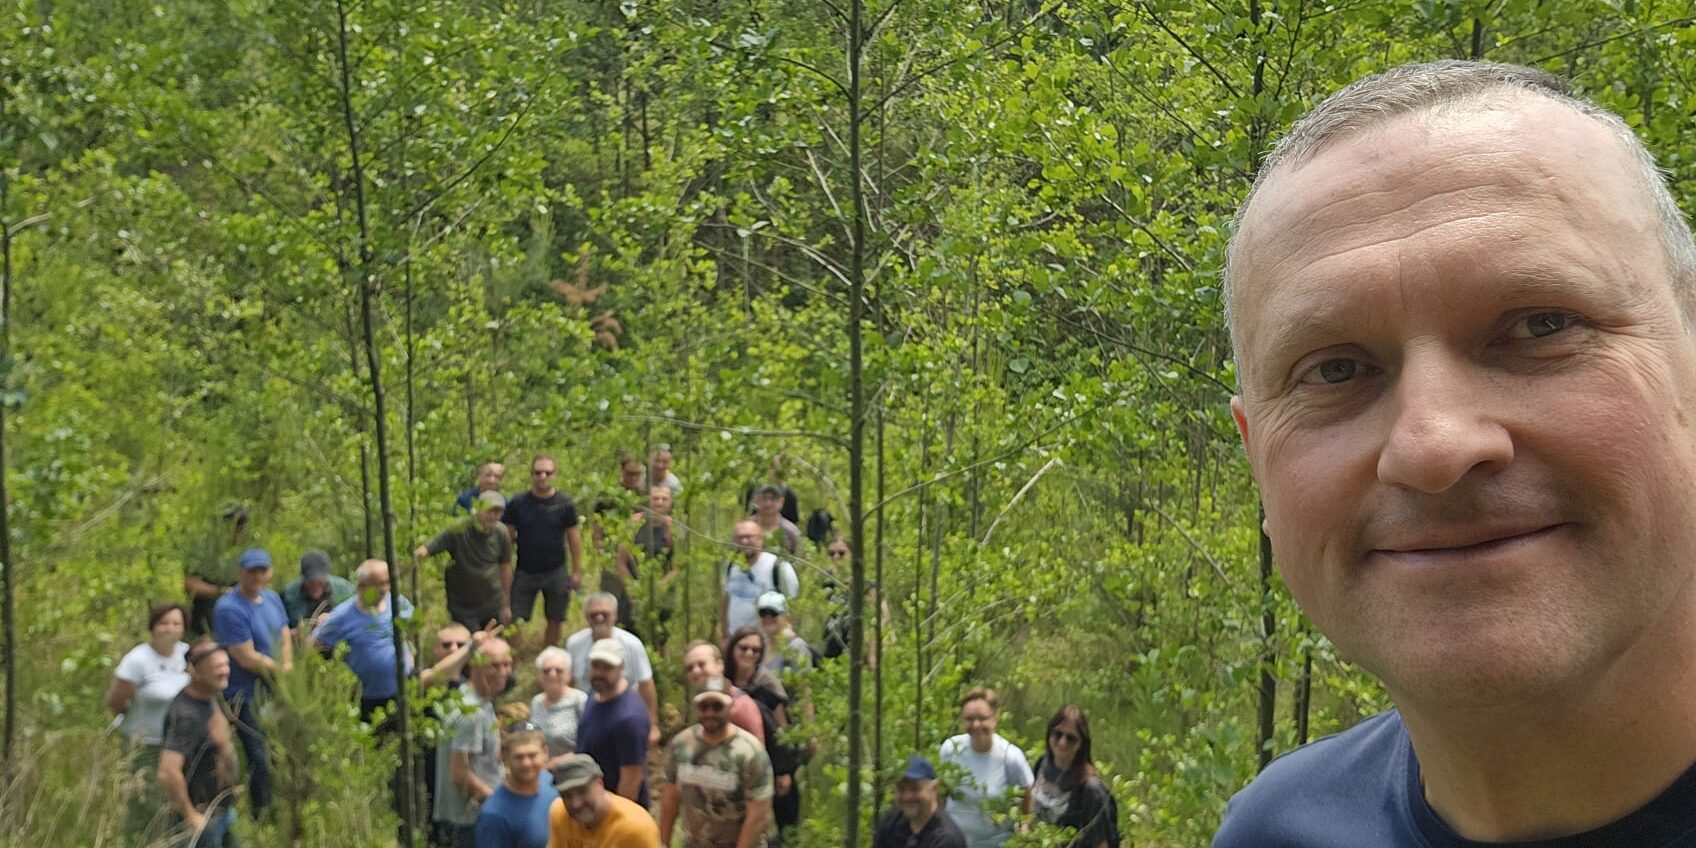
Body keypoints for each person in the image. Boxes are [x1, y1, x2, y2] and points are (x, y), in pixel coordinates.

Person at [1214, 60, 1696, 845]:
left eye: (1542, 325)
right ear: (1257, 464)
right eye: (1334, 371)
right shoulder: (1272, 831)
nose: (1432, 447)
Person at [212, 547, 290, 817]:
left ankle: (283, 807)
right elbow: (246, 657)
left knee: (279, 750)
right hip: (244, 693)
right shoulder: (229, 608)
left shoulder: (272, 599)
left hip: (275, 687)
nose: (257, 576)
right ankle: (262, 814)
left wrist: (287, 666)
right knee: (258, 754)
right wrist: (283, 671)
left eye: (262, 570)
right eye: (251, 571)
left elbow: (284, 634)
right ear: (240, 573)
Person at [659, 675, 774, 848]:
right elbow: (670, 797)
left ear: (731, 706)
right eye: (704, 707)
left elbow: (758, 816)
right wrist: (662, 843)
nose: (710, 713)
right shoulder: (681, 745)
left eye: (717, 706)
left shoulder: (750, 752)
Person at [109, 603, 191, 835]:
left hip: (179, 743)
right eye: (164, 623)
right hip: (145, 743)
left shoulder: (188, 654)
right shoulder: (137, 660)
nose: (170, 629)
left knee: (176, 798)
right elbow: (115, 701)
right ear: (153, 626)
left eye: (176, 623)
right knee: (144, 800)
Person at [157, 640, 240, 847]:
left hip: (223, 810)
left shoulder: (209, 696)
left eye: (226, 664)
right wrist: (191, 815)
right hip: (203, 817)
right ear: (197, 672)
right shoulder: (186, 715)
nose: (224, 671)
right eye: (217, 667)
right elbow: (168, 771)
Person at [724, 626, 804, 845]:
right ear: (733, 649)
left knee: (786, 824)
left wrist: (784, 771)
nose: (749, 654)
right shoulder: (723, 683)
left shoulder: (767, 684)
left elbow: (781, 731)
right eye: (744, 648)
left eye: (756, 650)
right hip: (732, 765)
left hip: (771, 760)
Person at [433, 636, 514, 848]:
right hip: (470, 822)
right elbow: (459, 775)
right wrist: (502, 806)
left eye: (507, 664)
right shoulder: (471, 712)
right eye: (495, 665)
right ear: (475, 665)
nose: (503, 672)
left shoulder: (471, 697)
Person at [503, 453, 584, 647]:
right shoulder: (518, 503)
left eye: (548, 472)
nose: (542, 477)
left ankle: (550, 654)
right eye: (538, 472)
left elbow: (574, 538)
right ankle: (512, 658)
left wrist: (576, 571)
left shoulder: (565, 503)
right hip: (525, 570)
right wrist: (505, 568)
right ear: (531, 474)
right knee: (514, 618)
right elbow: (506, 538)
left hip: (556, 570)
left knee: (555, 617)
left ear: (555, 474)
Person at [938, 688, 1032, 848]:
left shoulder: (1010, 758)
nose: (976, 725)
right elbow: (940, 796)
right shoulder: (951, 749)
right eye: (969, 719)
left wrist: (1023, 837)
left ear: (995, 718)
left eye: (982, 718)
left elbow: (1027, 806)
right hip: (953, 842)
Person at [563, 593, 660, 745]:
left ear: (615, 615)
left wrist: (652, 724)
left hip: (622, 711)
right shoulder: (574, 644)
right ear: (586, 617)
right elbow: (569, 682)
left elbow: (646, 684)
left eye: (605, 614)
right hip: (586, 711)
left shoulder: (632, 644)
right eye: (594, 614)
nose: (599, 618)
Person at [416, 490, 515, 629]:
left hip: (493, 604)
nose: (493, 515)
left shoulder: (501, 532)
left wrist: (506, 604)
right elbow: (427, 550)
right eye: (489, 510)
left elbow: (505, 567)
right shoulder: (458, 529)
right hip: (464, 607)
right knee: (469, 641)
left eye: (497, 512)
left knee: (493, 640)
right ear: (477, 509)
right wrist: (401, 566)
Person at [574, 638, 651, 808]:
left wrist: (613, 818)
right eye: (595, 665)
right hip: (589, 803)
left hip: (612, 811)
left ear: (621, 667)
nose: (599, 673)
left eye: (607, 667)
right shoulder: (595, 695)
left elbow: (631, 780)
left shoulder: (629, 718)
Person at [1028, 706, 1118, 848]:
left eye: (1071, 738)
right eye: (1058, 734)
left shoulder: (1091, 789)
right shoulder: (1042, 764)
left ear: (1081, 744)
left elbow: (1100, 843)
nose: (1062, 742)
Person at [547, 753, 661, 848]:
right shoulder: (559, 813)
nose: (576, 803)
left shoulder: (636, 828)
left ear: (600, 783)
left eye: (582, 791)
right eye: (567, 795)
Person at [474, 723, 559, 848]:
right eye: (519, 757)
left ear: (545, 753)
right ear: (505, 758)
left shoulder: (550, 783)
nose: (526, 763)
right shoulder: (494, 815)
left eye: (532, 755)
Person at [720, 519, 798, 643]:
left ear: (760, 539)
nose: (744, 542)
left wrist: (785, 640)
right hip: (735, 640)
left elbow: (792, 604)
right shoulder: (730, 565)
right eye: (740, 538)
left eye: (749, 537)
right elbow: (726, 599)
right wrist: (724, 636)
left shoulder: (779, 567)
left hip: (766, 642)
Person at [612, 485, 675, 634]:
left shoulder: (673, 528)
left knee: (660, 633)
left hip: (662, 590)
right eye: (655, 498)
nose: (659, 502)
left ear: (670, 502)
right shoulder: (634, 523)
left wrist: (659, 588)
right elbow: (620, 561)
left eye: (664, 499)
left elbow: (677, 566)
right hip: (634, 589)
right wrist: (633, 588)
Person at [682, 640, 768, 745]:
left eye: (701, 664)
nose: (695, 671)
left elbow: (756, 749)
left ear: (719, 665)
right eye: (690, 668)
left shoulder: (740, 705)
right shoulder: (697, 705)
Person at [182, 504, 249, 638]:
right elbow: (190, 583)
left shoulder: (246, 548)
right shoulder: (203, 548)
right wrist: (221, 591)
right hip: (206, 616)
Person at [873, 755, 967, 848]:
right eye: (901, 789)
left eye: (915, 789)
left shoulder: (946, 840)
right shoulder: (892, 823)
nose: (907, 797)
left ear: (934, 788)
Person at [530, 647, 588, 785]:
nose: (552, 674)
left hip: (574, 773)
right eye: (546, 671)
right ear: (539, 676)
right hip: (543, 775)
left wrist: (561, 761)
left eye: (559, 670)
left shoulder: (580, 701)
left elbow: (589, 743)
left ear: (569, 675)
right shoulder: (536, 702)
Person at [280, 549, 355, 630]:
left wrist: (334, 618)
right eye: (311, 581)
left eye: (319, 581)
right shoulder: (288, 596)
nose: (315, 586)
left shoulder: (346, 590)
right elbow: (277, 630)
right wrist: (296, 632)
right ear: (303, 578)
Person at [756, 593, 813, 677]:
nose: (767, 617)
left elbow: (805, 683)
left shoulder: (796, 646)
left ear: (786, 617)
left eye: (773, 613)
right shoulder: (758, 646)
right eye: (763, 613)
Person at [741, 457, 800, 525]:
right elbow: (746, 512)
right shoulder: (754, 489)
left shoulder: (789, 495)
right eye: (772, 467)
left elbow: (793, 521)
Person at [749, 485, 800, 554]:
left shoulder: (790, 531)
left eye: (773, 499)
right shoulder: (745, 528)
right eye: (764, 498)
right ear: (756, 501)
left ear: (781, 502)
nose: (768, 503)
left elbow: (799, 557)